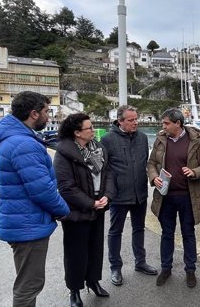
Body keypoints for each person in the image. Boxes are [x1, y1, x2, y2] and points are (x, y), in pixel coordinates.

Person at [0, 91, 70, 307]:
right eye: (46, 111)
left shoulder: (14, 138)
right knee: (29, 285)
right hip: (27, 224)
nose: (48, 116)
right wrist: (63, 210)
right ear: (34, 114)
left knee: (27, 281)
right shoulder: (25, 144)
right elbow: (41, 189)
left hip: (19, 220)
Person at [53, 113, 115, 307]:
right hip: (76, 211)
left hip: (98, 207)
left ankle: (93, 281)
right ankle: (74, 290)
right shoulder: (64, 154)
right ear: (77, 132)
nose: (93, 130)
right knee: (75, 253)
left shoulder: (99, 148)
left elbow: (109, 174)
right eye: (89, 128)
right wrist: (90, 203)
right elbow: (66, 188)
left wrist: (108, 196)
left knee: (95, 249)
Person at [147, 108, 200, 288]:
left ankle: (190, 270)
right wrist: (154, 178)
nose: (163, 127)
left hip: (188, 197)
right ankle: (166, 269)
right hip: (166, 196)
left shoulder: (196, 142)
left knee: (188, 234)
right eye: (163, 123)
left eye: (166, 123)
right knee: (167, 234)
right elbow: (151, 163)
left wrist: (194, 172)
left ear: (178, 123)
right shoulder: (160, 140)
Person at [101, 105, 158, 286]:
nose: (136, 122)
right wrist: (108, 192)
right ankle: (115, 267)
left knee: (138, 229)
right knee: (115, 231)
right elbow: (104, 169)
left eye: (136, 119)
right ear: (120, 121)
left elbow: (146, 163)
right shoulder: (107, 139)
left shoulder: (142, 138)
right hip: (118, 195)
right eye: (131, 120)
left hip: (140, 193)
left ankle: (140, 262)